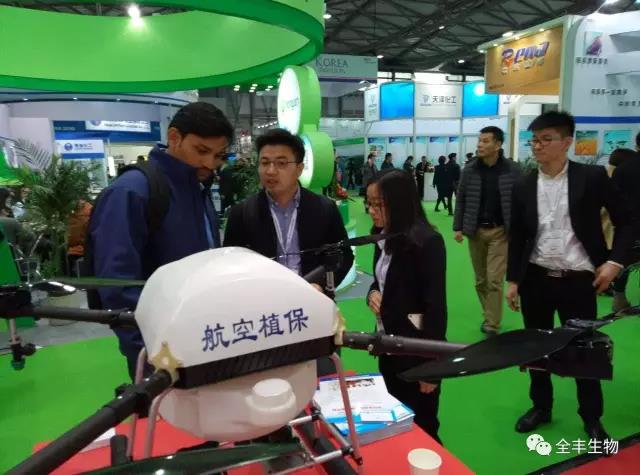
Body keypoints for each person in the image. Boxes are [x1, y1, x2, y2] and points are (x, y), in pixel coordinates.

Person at [506, 111, 634, 441]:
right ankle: (541, 406)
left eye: (546, 139)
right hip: (535, 279)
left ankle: (591, 416)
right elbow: (517, 236)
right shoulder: (523, 184)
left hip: (578, 280)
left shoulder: (591, 177)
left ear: (567, 142)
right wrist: (513, 280)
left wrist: (615, 262)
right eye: (534, 140)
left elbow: (628, 220)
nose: (538, 146)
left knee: (584, 350)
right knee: (536, 348)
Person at [88, 102, 233, 380]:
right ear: (174, 137)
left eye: (218, 155)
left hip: (205, 340)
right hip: (161, 356)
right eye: (202, 151)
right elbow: (117, 285)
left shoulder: (197, 189)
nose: (210, 163)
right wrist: (147, 353)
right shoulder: (132, 191)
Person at [224, 128, 354, 375]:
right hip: (264, 316)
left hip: (313, 309)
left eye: (281, 163)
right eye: (265, 163)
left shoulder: (324, 209)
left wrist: (323, 286)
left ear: (299, 168)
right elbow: (230, 266)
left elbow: (344, 256)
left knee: (320, 378)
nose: (271, 171)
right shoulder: (243, 213)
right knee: (268, 382)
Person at [365, 169, 447, 443]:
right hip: (388, 346)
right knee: (396, 421)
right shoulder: (382, 236)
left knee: (424, 429)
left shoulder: (427, 243)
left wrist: (431, 369)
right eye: (369, 203)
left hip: (416, 353)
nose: (371, 211)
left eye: (378, 204)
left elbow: (435, 309)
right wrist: (372, 293)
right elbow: (380, 280)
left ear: (399, 202)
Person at [453, 126, 521, 336]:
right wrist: (458, 227)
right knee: (481, 280)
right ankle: (489, 313)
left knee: (494, 279)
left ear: (498, 144)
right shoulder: (470, 170)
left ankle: (492, 323)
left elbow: (522, 200)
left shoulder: (513, 170)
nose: (480, 145)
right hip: (475, 231)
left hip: (500, 232)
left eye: (485, 141)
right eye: (479, 141)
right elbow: (461, 199)